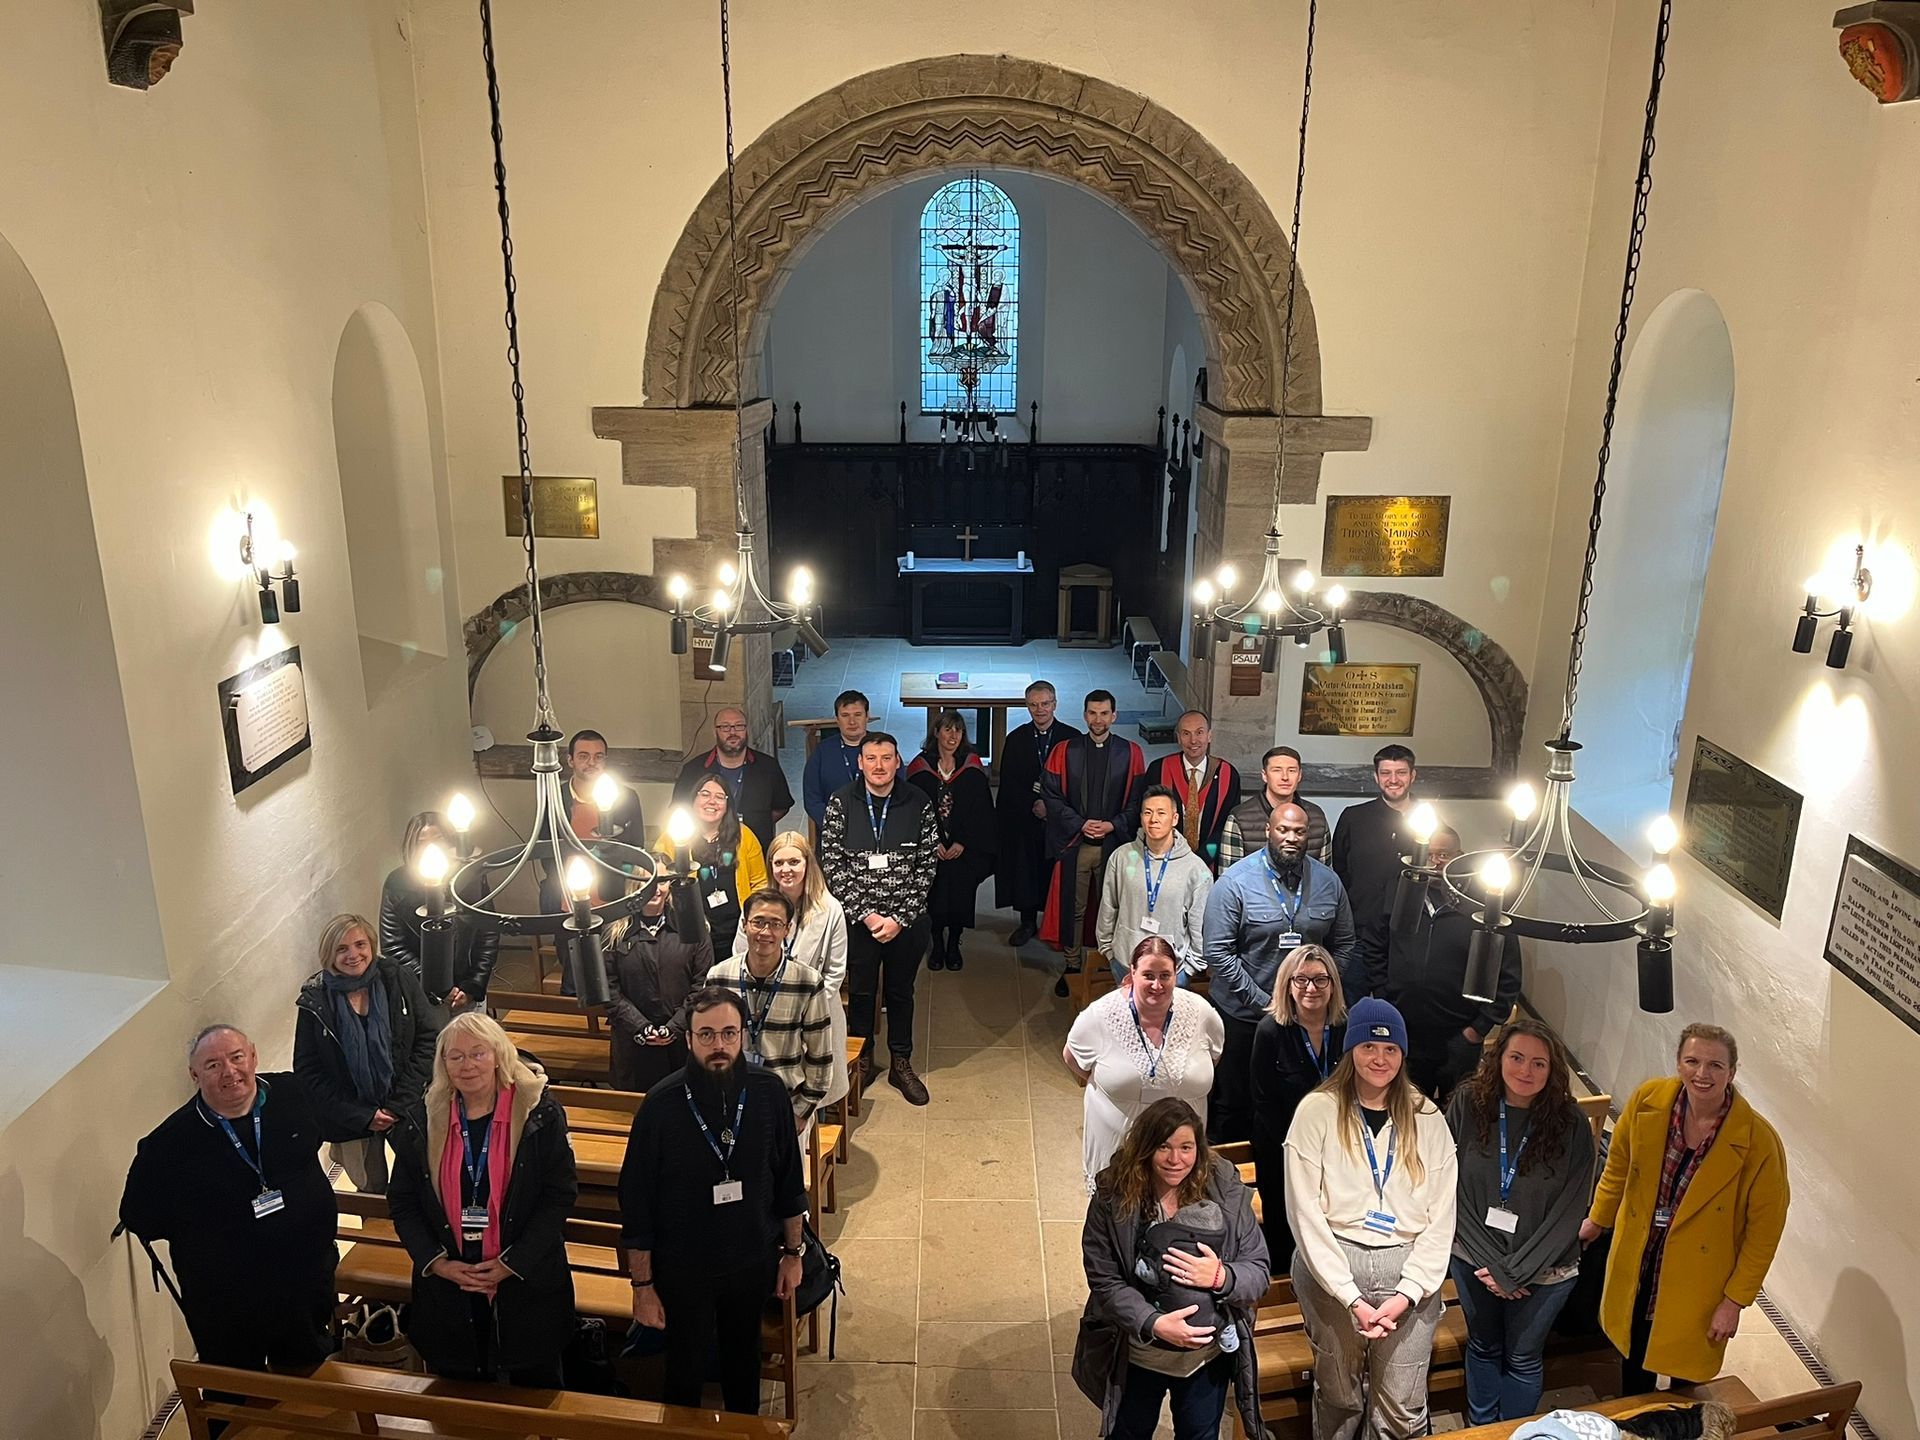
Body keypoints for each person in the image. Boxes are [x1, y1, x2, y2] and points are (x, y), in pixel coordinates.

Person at [622, 986, 808, 1416]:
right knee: (683, 1374)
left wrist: (793, 1254)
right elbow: (637, 1205)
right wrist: (643, 1287)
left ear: (743, 1035)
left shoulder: (768, 1092)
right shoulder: (661, 1106)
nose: (719, 1046)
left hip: (751, 1260)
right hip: (683, 1269)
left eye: (728, 1033)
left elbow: (788, 1183)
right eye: (706, 1035)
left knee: (745, 1368)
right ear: (688, 1039)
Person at [1579, 1024, 1790, 1395]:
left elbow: (1764, 1233)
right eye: (1692, 1061)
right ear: (1678, 1064)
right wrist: (1597, 1219)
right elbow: (1618, 1167)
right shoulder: (1648, 1101)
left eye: (1715, 1065)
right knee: (1634, 1351)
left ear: (1732, 1072)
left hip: (1700, 1279)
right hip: (1641, 1258)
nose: (1702, 1074)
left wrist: (1734, 1301)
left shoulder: (1759, 1142)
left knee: (1686, 1374)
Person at [1285, 998, 1458, 1440]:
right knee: (1339, 1396)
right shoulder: (1316, 1111)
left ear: (1402, 1055)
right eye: (1367, 1047)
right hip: (1332, 1267)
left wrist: (1409, 1292)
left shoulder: (1427, 1117)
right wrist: (1351, 1297)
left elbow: (1442, 1219)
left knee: (1400, 1404)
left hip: (1409, 1269)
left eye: (1390, 1050)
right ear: (1350, 1051)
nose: (1379, 1059)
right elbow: (1304, 1214)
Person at [118, 1025, 338, 1372]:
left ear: (253, 1057)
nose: (229, 1072)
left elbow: (316, 1138)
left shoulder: (293, 1093)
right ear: (195, 1075)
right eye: (213, 1064)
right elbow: (139, 1215)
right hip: (227, 1299)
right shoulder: (169, 1143)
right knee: (233, 1390)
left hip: (305, 1276)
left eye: (236, 1058)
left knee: (308, 1375)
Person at [386, 1012, 578, 1386]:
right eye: (455, 1056)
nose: (467, 1065)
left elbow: (559, 1196)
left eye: (478, 1053)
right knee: (460, 1400)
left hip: (526, 1279)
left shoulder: (540, 1114)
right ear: (442, 1064)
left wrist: (513, 1262)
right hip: (449, 1282)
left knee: (533, 1396)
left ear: (498, 1055)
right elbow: (404, 1202)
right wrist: (437, 1263)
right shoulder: (422, 1119)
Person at [1072, 1097, 1271, 1440]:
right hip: (1136, 1355)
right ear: (1146, 1147)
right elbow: (1104, 1280)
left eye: (1186, 1147)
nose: (1175, 1159)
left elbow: (1258, 1269)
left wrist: (1221, 1276)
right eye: (1164, 1146)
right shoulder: (1113, 1195)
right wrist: (1154, 1323)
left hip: (1205, 1358)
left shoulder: (1224, 1192)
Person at [1445, 1019, 1597, 1423]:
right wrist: (1493, 1266)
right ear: (1499, 1059)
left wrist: (1516, 1271)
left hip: (1545, 1271)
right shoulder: (1466, 1104)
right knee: (1482, 1347)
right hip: (1474, 1260)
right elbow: (1448, 1185)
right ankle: (1481, 1429)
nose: (1525, 1071)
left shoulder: (1572, 1125)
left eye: (1538, 1063)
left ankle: (1513, 1433)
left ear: (1553, 1071)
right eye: (1516, 1058)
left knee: (1523, 1357)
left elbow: (1571, 1209)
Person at [1201, 802, 1357, 1143]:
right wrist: (1267, 1002)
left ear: (1309, 836)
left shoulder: (1329, 883)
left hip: (1308, 1017)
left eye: (1299, 831)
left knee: (1297, 1102)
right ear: (1269, 831)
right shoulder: (1235, 883)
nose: (1291, 837)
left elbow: (1345, 944)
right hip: (1245, 1017)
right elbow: (1217, 951)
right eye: (1283, 830)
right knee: (1234, 1104)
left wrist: (1320, 990)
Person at [819, 730, 940, 1104]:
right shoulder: (841, 803)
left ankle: (901, 1061)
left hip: (906, 923)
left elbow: (927, 867)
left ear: (897, 761)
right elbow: (833, 866)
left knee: (902, 992)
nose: (879, 766)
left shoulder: (918, 802)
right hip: (859, 924)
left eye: (886, 758)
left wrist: (899, 919)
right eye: (871, 758)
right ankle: (863, 1057)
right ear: (860, 762)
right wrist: (869, 917)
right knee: (860, 993)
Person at [1064, 937, 1226, 1192]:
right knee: (1116, 1222)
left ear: (1176, 974)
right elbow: (1073, 1058)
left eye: (1165, 975)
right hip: (1118, 1147)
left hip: (1179, 1155)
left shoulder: (1202, 1013)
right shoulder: (1101, 1014)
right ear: (1132, 972)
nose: (1157, 985)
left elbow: (1214, 1057)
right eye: (1148, 975)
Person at [292, 912, 439, 1192]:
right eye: (342, 948)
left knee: (423, 1180)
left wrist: (397, 1105)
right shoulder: (315, 1000)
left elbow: (428, 1039)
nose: (353, 955)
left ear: (371, 946)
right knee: (371, 1190)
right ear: (329, 954)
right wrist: (363, 1115)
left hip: (407, 1105)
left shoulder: (397, 979)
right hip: (352, 1116)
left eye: (360, 944)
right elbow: (308, 1071)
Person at [1373, 824, 1522, 1097]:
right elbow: (1377, 946)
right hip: (1408, 1031)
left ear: (1460, 856)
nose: (1434, 863)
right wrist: (1385, 997)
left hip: (1459, 1036)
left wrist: (1477, 1030)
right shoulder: (1399, 892)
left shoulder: (1485, 905)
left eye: (1443, 855)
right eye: (1428, 855)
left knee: (1457, 1111)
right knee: (1411, 1110)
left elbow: (1508, 975)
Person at [1249, 944, 1349, 1273]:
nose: (1311, 988)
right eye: (1301, 980)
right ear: (1287, 985)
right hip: (1282, 1149)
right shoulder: (1270, 1032)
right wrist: (1300, 1150)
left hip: (1337, 1147)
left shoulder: (1345, 1030)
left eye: (1321, 980)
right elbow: (1263, 1101)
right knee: (1284, 1223)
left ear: (1333, 984)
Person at [1042, 688, 1147, 995]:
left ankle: (1109, 964)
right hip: (1077, 844)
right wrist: (1081, 823)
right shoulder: (1065, 750)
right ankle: (1073, 964)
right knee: (1074, 908)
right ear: (1084, 714)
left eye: (1104, 713)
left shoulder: (1132, 752)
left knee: (1114, 906)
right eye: (1092, 713)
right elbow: (1051, 795)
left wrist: (1113, 824)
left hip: (1116, 846)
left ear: (1114, 716)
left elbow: (1137, 799)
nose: (1098, 719)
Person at [738, 831, 850, 1112]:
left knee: (810, 1089)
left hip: (817, 1009)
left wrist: (806, 1007)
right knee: (770, 1087)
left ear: (807, 864)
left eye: (793, 862)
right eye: (778, 863)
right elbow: (740, 955)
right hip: (764, 1008)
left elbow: (835, 972)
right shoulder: (756, 905)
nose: (785, 870)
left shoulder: (830, 908)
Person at [706, 888, 835, 1128]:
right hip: (729, 1101)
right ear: (745, 925)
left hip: (784, 1103)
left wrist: (801, 1111)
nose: (766, 932)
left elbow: (821, 1056)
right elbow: (705, 1044)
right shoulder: (719, 976)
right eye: (758, 922)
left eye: (776, 924)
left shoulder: (807, 982)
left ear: (787, 929)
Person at [904, 708, 997, 971]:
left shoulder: (972, 766)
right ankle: (937, 944)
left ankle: (954, 942)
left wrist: (962, 843)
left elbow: (981, 812)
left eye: (958, 730)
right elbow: (912, 812)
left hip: (962, 850)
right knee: (933, 895)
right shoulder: (920, 768)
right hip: (930, 849)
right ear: (936, 732)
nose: (953, 735)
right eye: (947, 729)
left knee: (959, 894)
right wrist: (932, 843)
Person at [603, 875, 714, 1093]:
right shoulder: (614, 931)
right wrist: (641, 1027)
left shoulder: (693, 926)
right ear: (633, 885)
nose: (656, 889)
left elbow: (703, 983)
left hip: (682, 1043)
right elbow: (607, 987)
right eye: (647, 881)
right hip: (633, 1045)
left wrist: (674, 1027)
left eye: (662, 881)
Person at [380, 810, 499, 1009]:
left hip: (466, 990)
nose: (431, 846)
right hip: (422, 993)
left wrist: (473, 985)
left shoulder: (469, 877)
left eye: (438, 838)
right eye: (422, 840)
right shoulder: (398, 884)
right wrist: (436, 984)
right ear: (412, 845)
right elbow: (393, 946)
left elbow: (488, 931)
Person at [1097, 785, 1213, 985]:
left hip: (1172, 971)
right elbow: (1109, 906)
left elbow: (1199, 924)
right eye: (1148, 813)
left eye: (1161, 813)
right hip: (1125, 963)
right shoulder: (1122, 857)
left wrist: (1191, 968)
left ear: (1175, 819)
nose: (1154, 819)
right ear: (1141, 817)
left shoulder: (1196, 869)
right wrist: (1109, 952)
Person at [994, 679, 1080, 945]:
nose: (1039, 710)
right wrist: (1034, 804)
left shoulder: (1072, 738)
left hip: (1061, 819)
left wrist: (1051, 807)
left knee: (1057, 872)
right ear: (1027, 706)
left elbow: (1078, 783)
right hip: (1026, 818)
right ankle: (1027, 922)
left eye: (1045, 704)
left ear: (1055, 704)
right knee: (1025, 871)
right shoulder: (1016, 739)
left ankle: (1055, 922)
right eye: (1033, 705)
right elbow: (1008, 783)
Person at [654, 772, 769, 960]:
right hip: (693, 931)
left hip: (737, 930)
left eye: (719, 797)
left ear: (727, 805)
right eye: (705, 794)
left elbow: (760, 883)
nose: (712, 801)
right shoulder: (674, 836)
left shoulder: (744, 835)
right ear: (694, 799)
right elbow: (660, 877)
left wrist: (752, 920)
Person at [1329, 744, 1418, 946]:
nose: (1393, 780)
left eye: (1401, 773)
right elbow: (1339, 869)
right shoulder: (1353, 817)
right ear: (1376, 777)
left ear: (1412, 775)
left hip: (1413, 933)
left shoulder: (1430, 820)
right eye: (1385, 773)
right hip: (1361, 930)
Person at [675, 705, 793, 850]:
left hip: (757, 849)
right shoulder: (693, 770)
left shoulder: (768, 767)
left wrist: (757, 825)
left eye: (739, 726)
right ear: (715, 732)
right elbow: (679, 809)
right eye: (725, 727)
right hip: (703, 851)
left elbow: (781, 806)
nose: (732, 732)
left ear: (746, 730)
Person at [1138, 710, 1243, 875]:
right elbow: (1147, 817)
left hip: (1210, 863)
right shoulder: (1158, 770)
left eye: (1199, 733)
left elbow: (1226, 825)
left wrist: (1201, 859)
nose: (1193, 740)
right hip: (1165, 861)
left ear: (1209, 736)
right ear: (1178, 738)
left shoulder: (1228, 774)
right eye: (1186, 734)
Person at [1219, 745, 1332, 869]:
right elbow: (1228, 878)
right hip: (1254, 888)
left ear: (1299, 776)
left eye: (1292, 770)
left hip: (1306, 888)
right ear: (1264, 775)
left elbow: (1326, 878)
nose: (1285, 777)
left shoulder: (1317, 817)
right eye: (1277, 770)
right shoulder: (1240, 817)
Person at [801, 689, 870, 829]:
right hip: (833, 828)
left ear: (867, 716)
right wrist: (833, 824)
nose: (852, 721)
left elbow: (899, 790)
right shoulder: (822, 751)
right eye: (845, 715)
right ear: (837, 719)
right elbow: (812, 799)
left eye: (858, 714)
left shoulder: (883, 748)